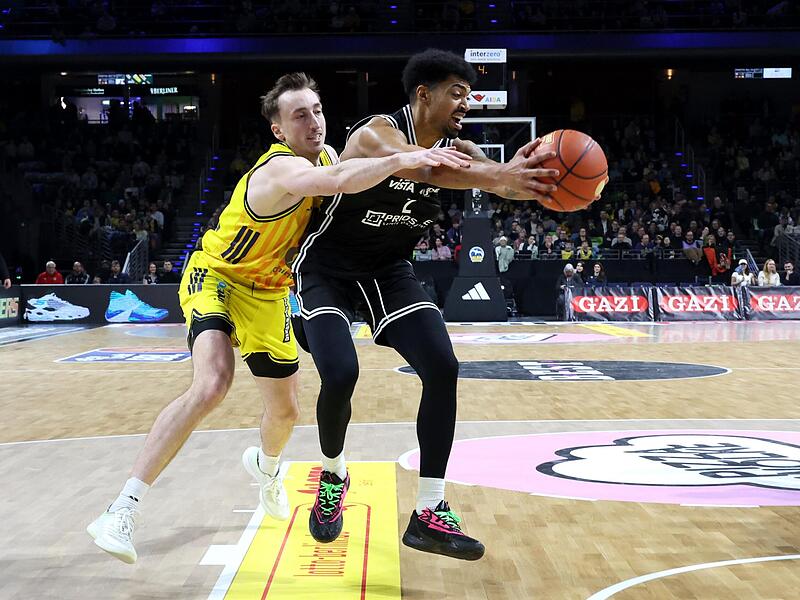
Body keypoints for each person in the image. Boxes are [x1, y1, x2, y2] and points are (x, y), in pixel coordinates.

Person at [87, 72, 468, 564]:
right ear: (279, 131)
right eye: (299, 115)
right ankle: (122, 509)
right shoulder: (279, 170)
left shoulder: (330, 155)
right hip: (219, 278)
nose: (314, 122)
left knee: (287, 412)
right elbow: (335, 182)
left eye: (317, 110)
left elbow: (351, 186)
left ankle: (266, 469)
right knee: (212, 385)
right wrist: (402, 158)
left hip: (270, 293)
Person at [292, 49, 559, 561]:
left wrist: (553, 187)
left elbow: (501, 183)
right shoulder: (377, 133)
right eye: (456, 93)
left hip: (388, 270)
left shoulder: (464, 149)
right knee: (342, 373)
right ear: (423, 94)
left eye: (468, 95)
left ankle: (429, 511)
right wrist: (496, 174)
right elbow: (433, 171)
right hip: (326, 267)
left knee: (442, 365)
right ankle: (333, 476)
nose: (466, 103)